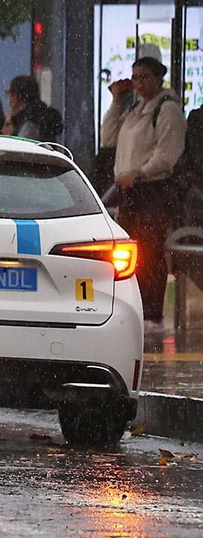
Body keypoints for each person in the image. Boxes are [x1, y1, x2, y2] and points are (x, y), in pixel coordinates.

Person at [102, 56, 186, 332]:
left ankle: (151, 310)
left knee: (149, 252)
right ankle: (133, 303)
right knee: (130, 251)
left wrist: (138, 173)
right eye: (135, 77)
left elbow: (166, 155)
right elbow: (108, 138)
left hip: (151, 190)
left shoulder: (167, 109)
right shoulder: (136, 108)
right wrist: (117, 101)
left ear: (157, 78)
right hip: (129, 191)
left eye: (144, 77)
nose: (138, 84)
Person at [1, 75, 63, 142]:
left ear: (16, 96)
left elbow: (20, 148)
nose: (10, 101)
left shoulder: (28, 125)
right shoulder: (42, 117)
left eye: (11, 95)